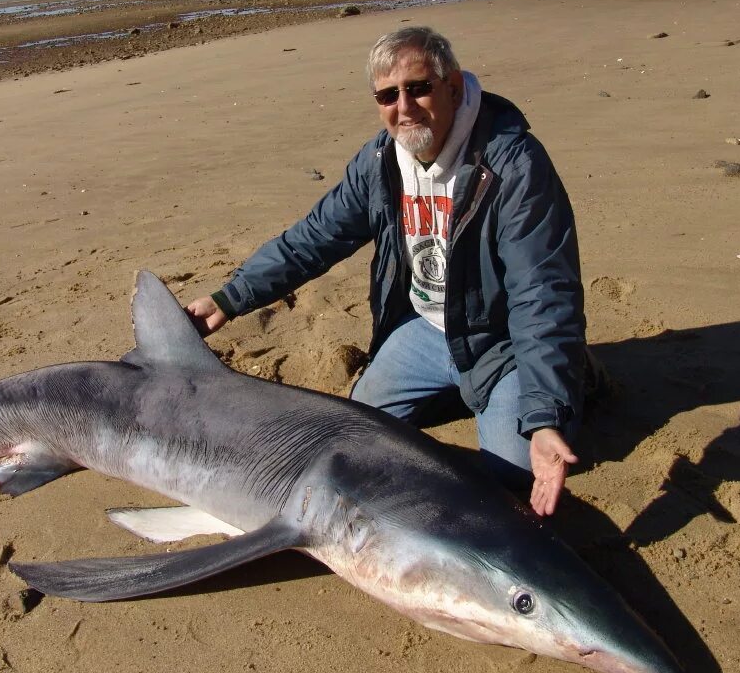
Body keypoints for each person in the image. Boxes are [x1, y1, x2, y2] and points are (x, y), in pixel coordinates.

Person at [186, 26, 586, 517]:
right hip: (424, 330)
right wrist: (229, 300)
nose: (405, 107)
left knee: (510, 479)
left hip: (501, 344)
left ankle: (559, 387)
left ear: (454, 87)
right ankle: (479, 394)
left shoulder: (514, 164)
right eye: (388, 95)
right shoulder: (380, 163)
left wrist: (544, 415)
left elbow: (542, 292)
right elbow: (314, 238)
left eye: (419, 87)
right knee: (354, 442)